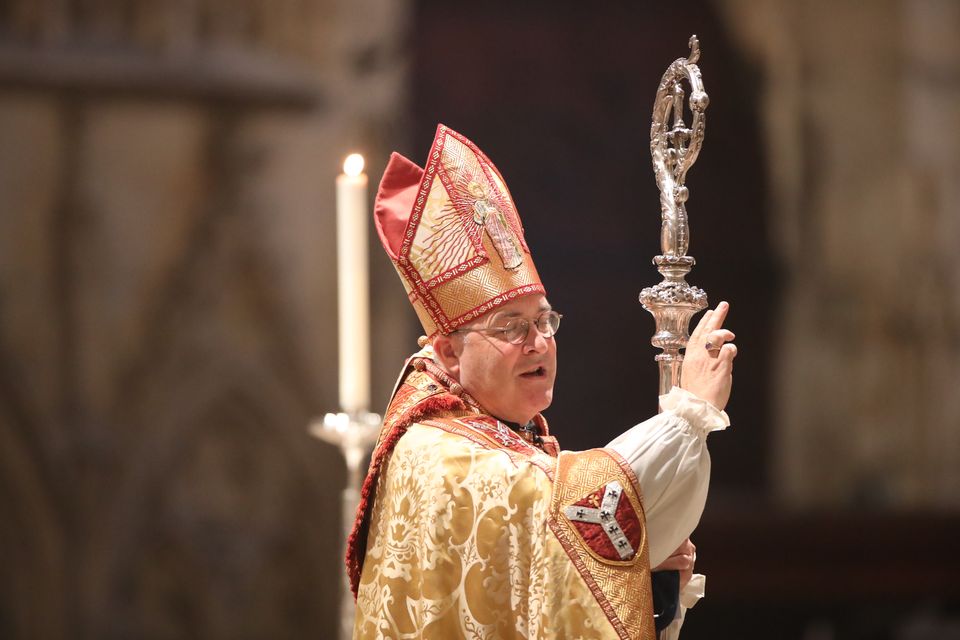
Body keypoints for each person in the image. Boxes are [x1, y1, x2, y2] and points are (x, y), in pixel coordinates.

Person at [346, 124, 736, 639]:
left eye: (544, 321)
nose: (538, 343)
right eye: (510, 327)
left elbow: (552, 592)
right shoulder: (438, 452)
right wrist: (688, 414)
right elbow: (573, 515)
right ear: (447, 352)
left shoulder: (503, 431)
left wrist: (648, 583)